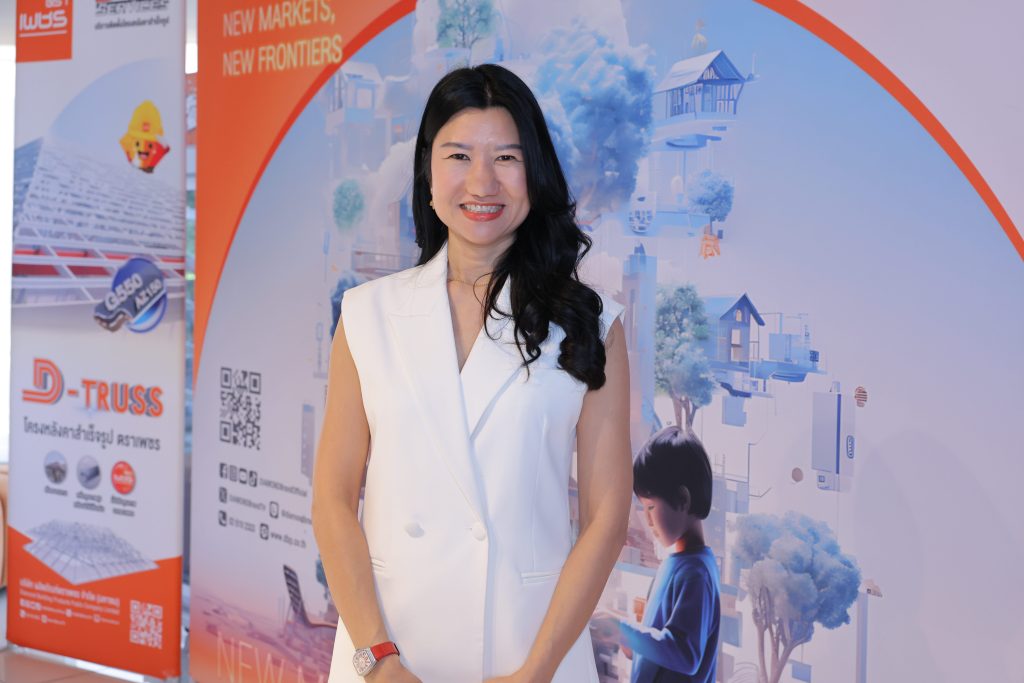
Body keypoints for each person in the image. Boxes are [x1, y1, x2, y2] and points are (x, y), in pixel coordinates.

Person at [311, 64, 633, 683]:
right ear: (429, 173)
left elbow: (606, 519)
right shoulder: (366, 314)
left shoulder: (591, 325)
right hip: (388, 644)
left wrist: (535, 671)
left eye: (507, 157)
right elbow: (332, 499)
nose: (483, 181)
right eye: (459, 155)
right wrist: (376, 660)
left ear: (535, 173)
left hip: (528, 647)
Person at [618, 426, 720, 683]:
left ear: (683, 500)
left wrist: (623, 632)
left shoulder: (696, 574)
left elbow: (685, 655)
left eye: (651, 507)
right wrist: (633, 646)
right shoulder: (673, 565)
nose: (647, 520)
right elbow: (660, 643)